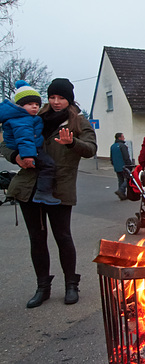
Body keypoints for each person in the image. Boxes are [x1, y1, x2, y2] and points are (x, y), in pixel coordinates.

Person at [1, 78, 97, 307]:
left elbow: (91, 149)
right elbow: (5, 143)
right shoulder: (34, 117)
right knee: (37, 238)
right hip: (29, 187)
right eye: (52, 97)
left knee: (63, 236)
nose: (56, 102)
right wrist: (15, 157)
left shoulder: (78, 121)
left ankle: (71, 285)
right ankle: (42, 287)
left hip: (59, 187)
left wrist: (72, 142)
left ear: (69, 99)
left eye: (61, 98)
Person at [0, 80, 60, 205]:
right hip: (28, 151)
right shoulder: (23, 120)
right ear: (20, 106)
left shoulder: (26, 117)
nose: (34, 107)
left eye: (37, 104)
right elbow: (25, 138)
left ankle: (43, 192)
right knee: (48, 165)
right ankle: (43, 193)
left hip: (28, 149)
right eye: (30, 104)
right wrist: (27, 156)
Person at [109, 132, 131, 200]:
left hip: (116, 166)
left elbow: (111, 157)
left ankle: (122, 195)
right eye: (123, 137)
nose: (124, 138)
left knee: (120, 180)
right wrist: (129, 165)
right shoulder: (122, 146)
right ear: (119, 138)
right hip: (124, 166)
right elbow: (126, 156)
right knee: (128, 179)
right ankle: (121, 190)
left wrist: (113, 164)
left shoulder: (113, 146)